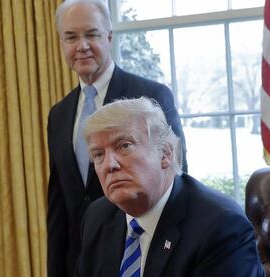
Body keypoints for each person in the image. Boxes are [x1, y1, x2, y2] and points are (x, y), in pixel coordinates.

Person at [47, 1, 188, 276]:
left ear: (109, 37)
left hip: (142, 252)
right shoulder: (59, 114)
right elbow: (58, 205)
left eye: (91, 34)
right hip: (83, 261)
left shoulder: (150, 95)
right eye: (71, 37)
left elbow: (176, 175)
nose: (82, 45)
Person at [76, 97, 265, 276]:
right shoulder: (97, 217)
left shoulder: (219, 226)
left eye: (124, 146)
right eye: (99, 154)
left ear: (165, 153)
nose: (110, 165)